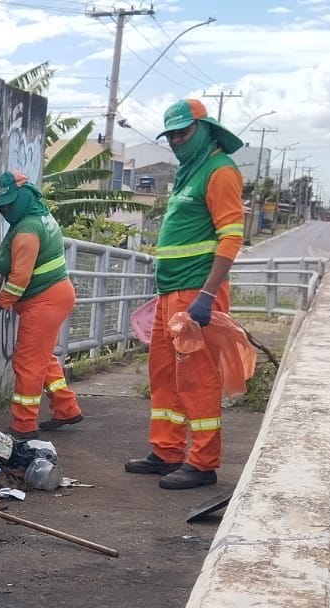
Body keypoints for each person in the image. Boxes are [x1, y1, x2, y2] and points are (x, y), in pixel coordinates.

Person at [125, 98, 245, 489]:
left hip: (196, 292)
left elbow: (230, 238)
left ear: (205, 129)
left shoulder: (220, 171)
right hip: (171, 293)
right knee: (164, 373)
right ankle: (166, 451)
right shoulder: (189, 171)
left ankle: (203, 462)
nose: (176, 140)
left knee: (197, 377)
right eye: (171, 135)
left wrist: (207, 297)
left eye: (183, 132)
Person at [0, 172, 83, 443]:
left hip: (43, 300)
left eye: (10, 203)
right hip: (55, 295)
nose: (5, 210)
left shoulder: (27, 231)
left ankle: (23, 424)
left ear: (25, 197)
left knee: (27, 362)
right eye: (2, 205)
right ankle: (66, 408)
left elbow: (19, 279)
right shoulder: (41, 217)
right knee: (42, 356)